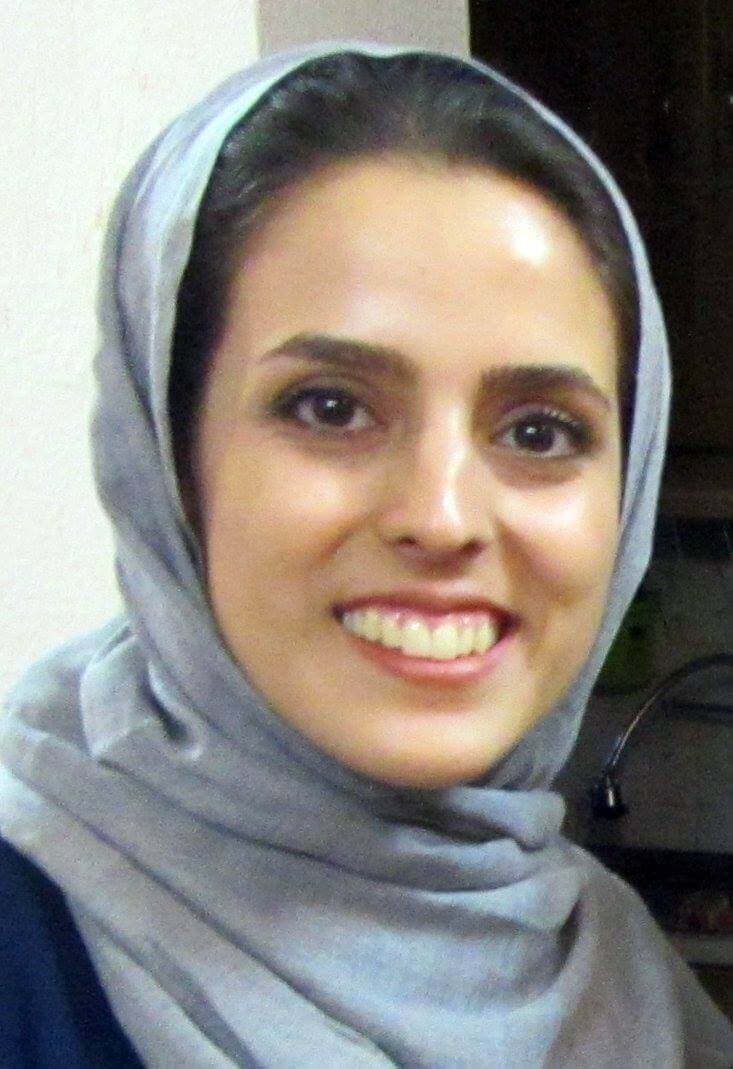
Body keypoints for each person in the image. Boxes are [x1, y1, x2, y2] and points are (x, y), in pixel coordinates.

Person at [0, 40, 730, 1069]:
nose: (441, 515)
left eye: (538, 430)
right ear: (167, 456)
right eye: (330, 408)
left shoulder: (625, 991)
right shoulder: (26, 960)